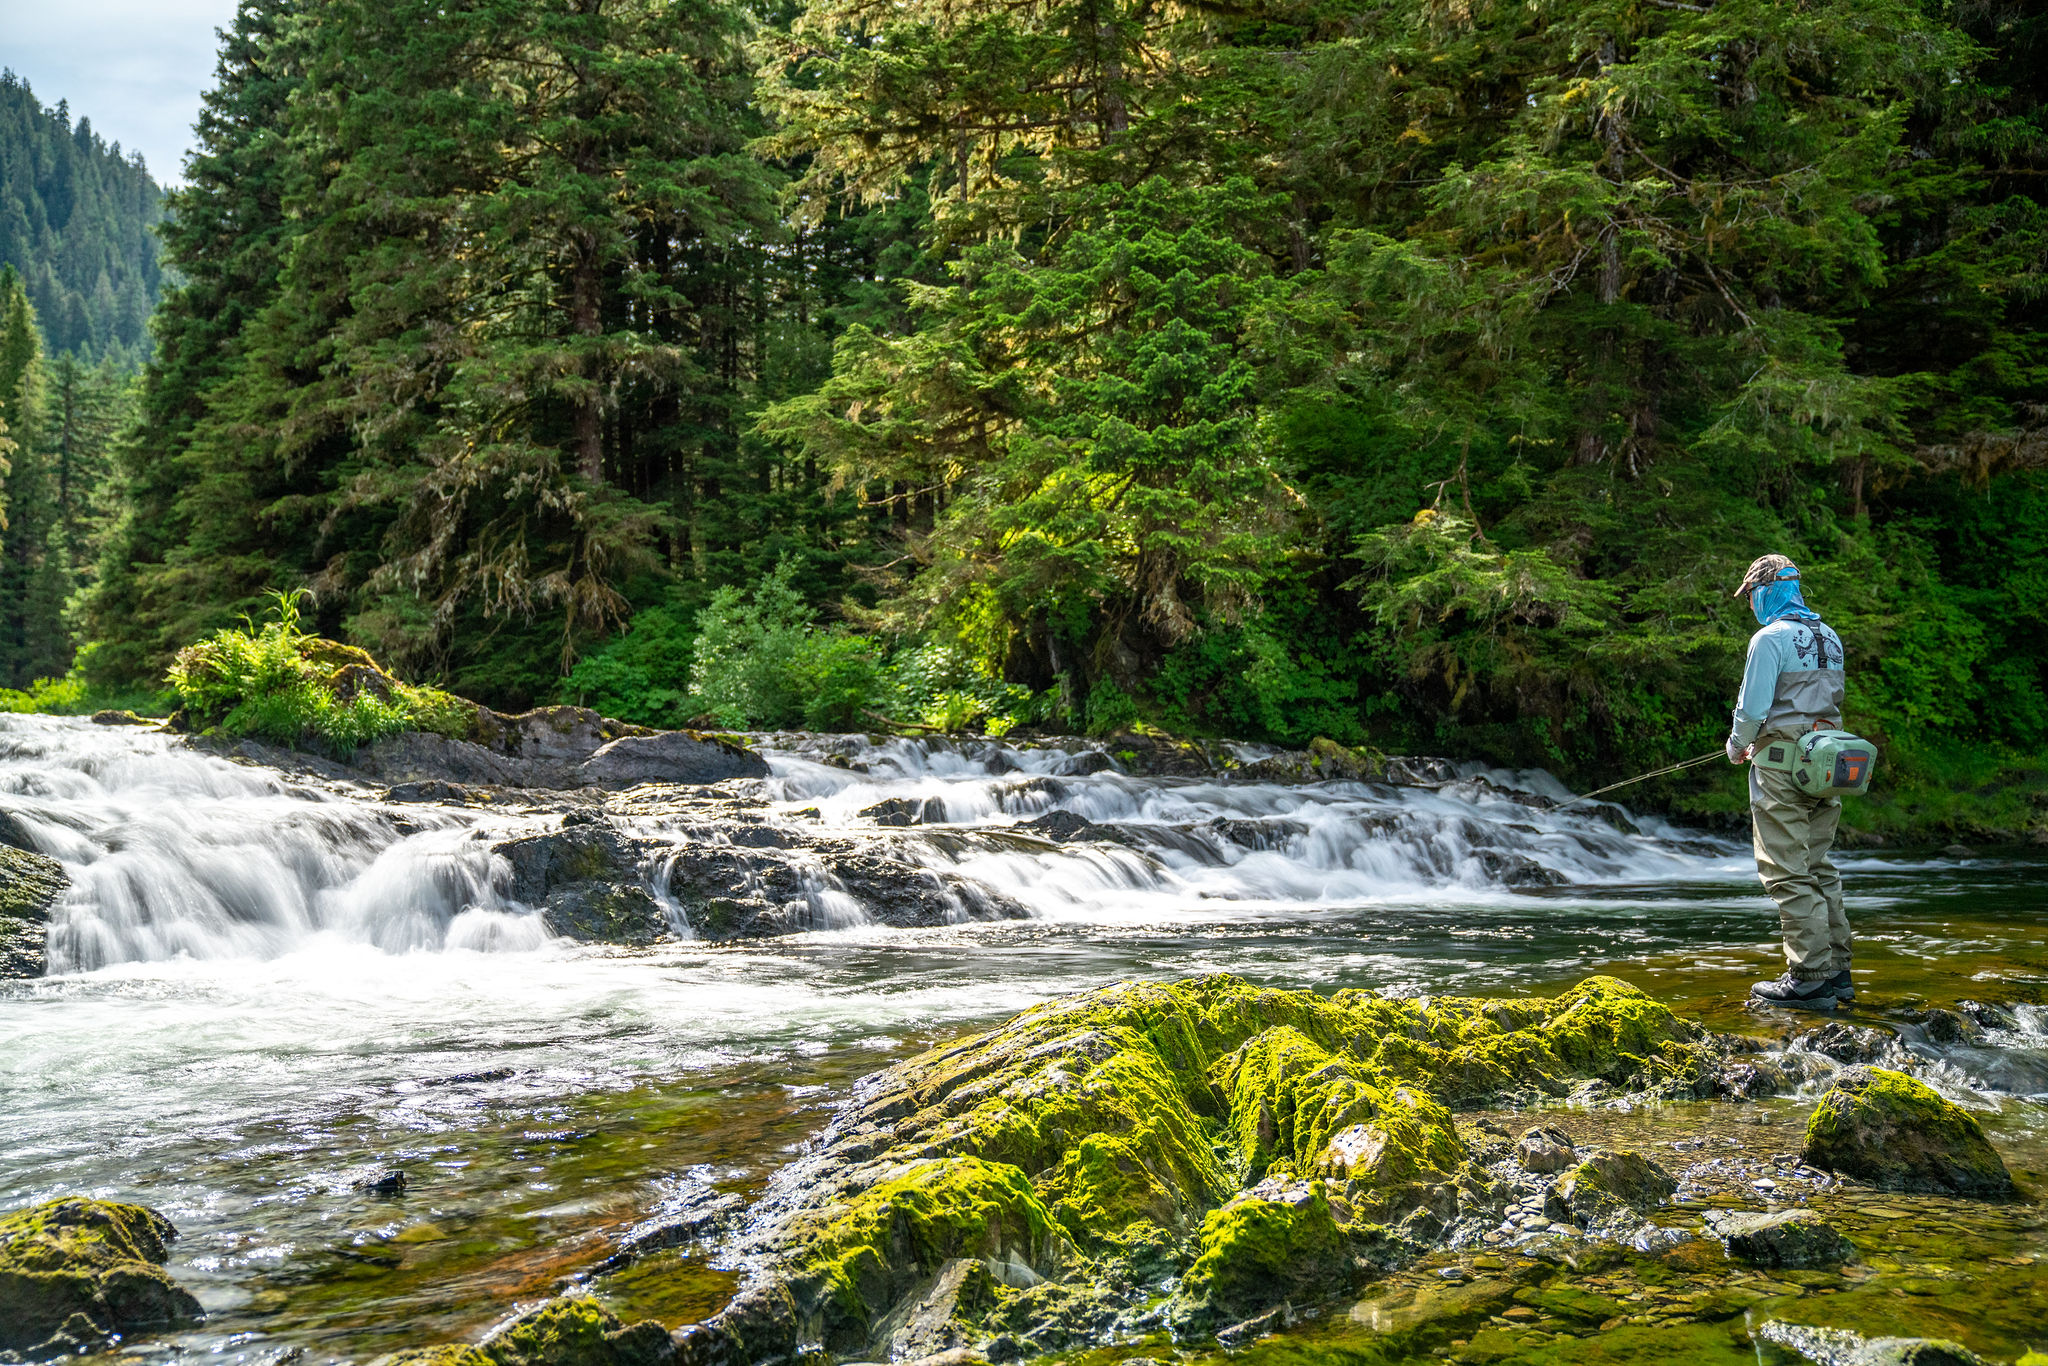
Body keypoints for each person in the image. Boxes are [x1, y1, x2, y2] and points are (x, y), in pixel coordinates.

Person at [1726, 554, 1852, 1010]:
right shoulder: (1830, 637)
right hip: (1825, 766)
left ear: (1766, 591)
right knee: (1819, 867)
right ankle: (1838, 973)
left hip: (1780, 768)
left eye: (1753, 596)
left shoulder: (1769, 639)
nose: (1752, 605)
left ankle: (1810, 978)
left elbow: (1753, 708)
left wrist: (1737, 745)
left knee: (1787, 872)